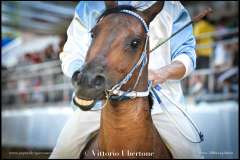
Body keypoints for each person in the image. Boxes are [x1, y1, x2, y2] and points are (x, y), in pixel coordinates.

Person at [50, 1, 203, 159]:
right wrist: (86, 78)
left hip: (163, 105)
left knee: (191, 152)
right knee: (62, 152)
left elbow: (186, 57)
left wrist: (161, 73)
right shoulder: (89, 5)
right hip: (98, 102)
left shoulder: (173, 7)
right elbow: (72, 53)